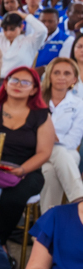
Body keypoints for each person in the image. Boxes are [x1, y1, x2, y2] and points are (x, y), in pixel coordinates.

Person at [0, 65, 56, 244]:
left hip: (26, 169)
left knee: (13, 199)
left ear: (34, 89)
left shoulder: (41, 115)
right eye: (14, 79)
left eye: (25, 82)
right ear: (6, 83)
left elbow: (44, 152)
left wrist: (22, 169)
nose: (18, 84)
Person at [38, 57, 83, 213]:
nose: (61, 77)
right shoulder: (37, 100)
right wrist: (48, 140)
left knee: (50, 172)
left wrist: (53, 140)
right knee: (58, 155)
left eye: (66, 73)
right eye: (56, 73)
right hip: (37, 151)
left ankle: (47, 227)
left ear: (74, 79)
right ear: (50, 76)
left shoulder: (79, 104)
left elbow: (74, 139)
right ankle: (79, 198)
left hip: (67, 151)